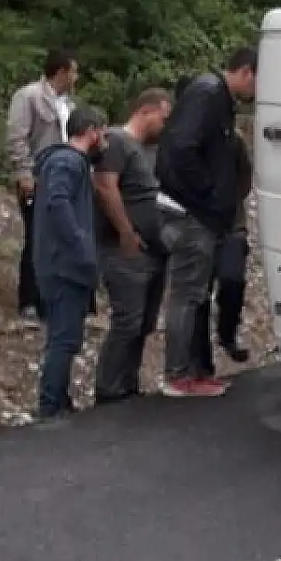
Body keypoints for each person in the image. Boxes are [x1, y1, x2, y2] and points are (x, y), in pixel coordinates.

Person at [155, 45, 257, 398]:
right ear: (246, 72)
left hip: (202, 214)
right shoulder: (208, 94)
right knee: (187, 295)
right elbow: (181, 147)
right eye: (258, 83)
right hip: (193, 213)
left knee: (197, 294)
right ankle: (178, 374)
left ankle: (197, 370)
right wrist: (208, 193)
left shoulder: (217, 100)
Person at [91, 87, 173, 403]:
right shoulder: (116, 142)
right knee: (127, 320)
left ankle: (127, 384)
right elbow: (105, 186)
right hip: (124, 250)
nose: (165, 126)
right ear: (146, 111)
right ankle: (109, 390)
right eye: (163, 119)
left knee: (143, 322)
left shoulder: (145, 149)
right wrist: (125, 232)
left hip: (152, 249)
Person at [31, 104, 108, 422]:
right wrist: (81, 247)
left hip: (57, 262)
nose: (104, 139)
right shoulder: (68, 162)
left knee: (63, 336)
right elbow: (58, 203)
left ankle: (58, 398)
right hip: (64, 265)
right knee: (64, 338)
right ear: (91, 131)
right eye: (102, 132)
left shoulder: (64, 162)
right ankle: (50, 406)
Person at [4, 49, 79, 323]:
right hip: (37, 178)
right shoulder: (29, 97)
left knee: (58, 240)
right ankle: (28, 301)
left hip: (62, 181)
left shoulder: (68, 106)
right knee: (36, 237)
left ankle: (50, 299)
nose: (76, 77)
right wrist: (23, 172)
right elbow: (17, 136)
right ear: (61, 72)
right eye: (74, 71)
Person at [198, 126, 253, 377]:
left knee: (233, 281)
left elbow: (245, 175)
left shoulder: (234, 138)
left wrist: (229, 200)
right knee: (199, 292)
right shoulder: (186, 139)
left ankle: (227, 334)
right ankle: (200, 358)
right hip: (198, 221)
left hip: (231, 221)